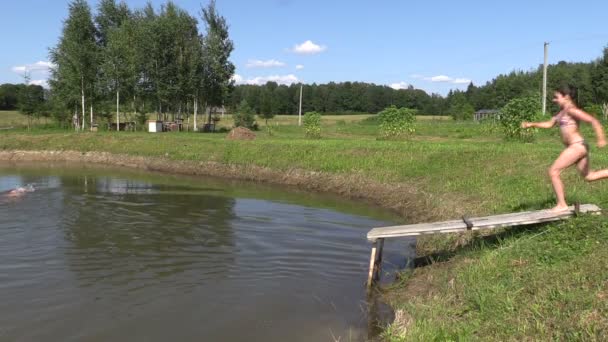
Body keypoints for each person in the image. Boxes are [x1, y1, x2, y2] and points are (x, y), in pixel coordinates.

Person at [521, 85, 608, 212]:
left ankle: (562, 204)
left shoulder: (571, 110)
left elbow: (593, 121)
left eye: (556, 97)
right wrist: (532, 124)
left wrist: (601, 138)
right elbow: (549, 124)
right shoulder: (561, 112)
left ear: (566, 97)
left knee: (553, 171)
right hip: (580, 147)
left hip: (577, 146)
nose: (554, 100)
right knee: (589, 176)